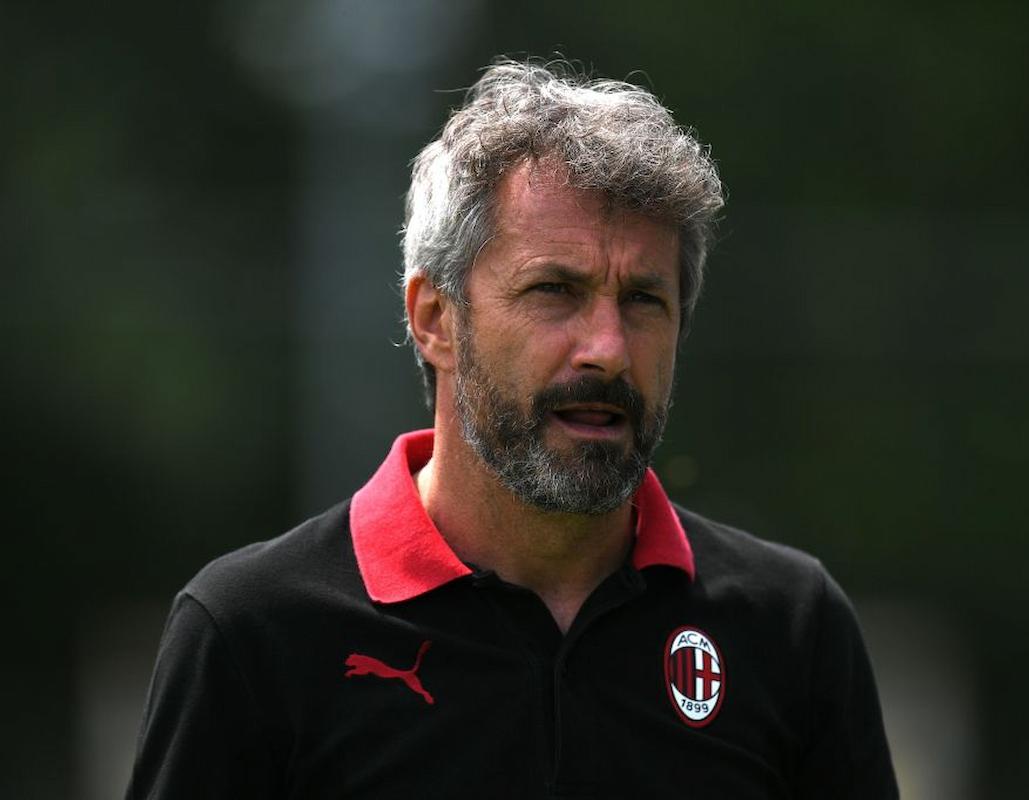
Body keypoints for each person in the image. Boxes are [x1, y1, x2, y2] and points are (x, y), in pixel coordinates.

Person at [126, 58, 899, 799]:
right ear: (436, 320)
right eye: (555, 290)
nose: (607, 349)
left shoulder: (791, 627)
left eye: (642, 300)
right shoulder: (252, 632)